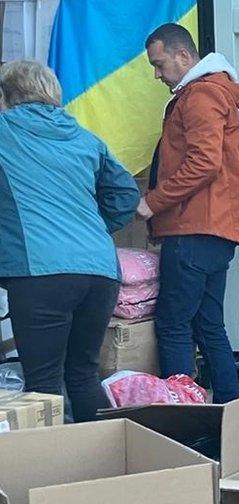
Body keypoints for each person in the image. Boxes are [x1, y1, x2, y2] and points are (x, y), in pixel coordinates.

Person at [0, 60, 139, 421]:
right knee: (83, 374)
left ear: (7, 95)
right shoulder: (85, 137)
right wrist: (88, 230)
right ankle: (106, 463)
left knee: (43, 384)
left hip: (41, 273)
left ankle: (54, 470)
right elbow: (125, 195)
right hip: (100, 270)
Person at [141, 23, 239, 404]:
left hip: (193, 227)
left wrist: (151, 202)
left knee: (174, 325)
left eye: (159, 64)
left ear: (184, 55)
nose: (157, 74)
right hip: (216, 227)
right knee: (208, 325)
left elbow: (203, 162)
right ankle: (226, 407)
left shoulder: (200, 95)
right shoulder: (214, 91)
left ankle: (184, 419)